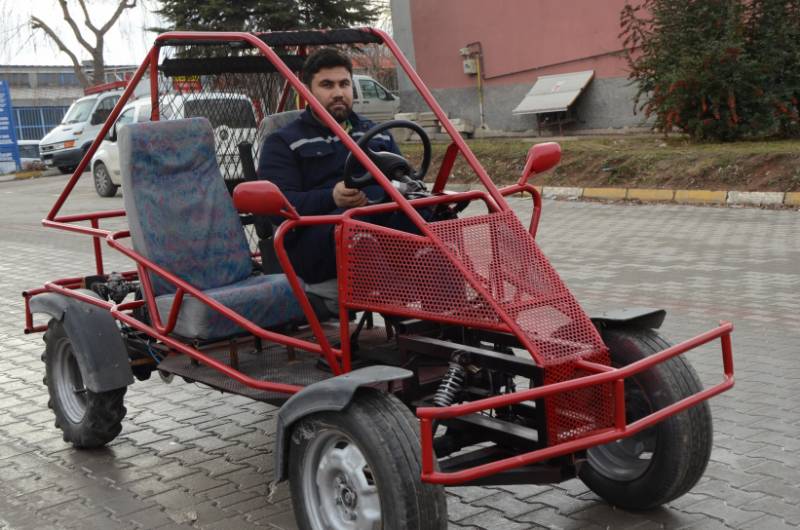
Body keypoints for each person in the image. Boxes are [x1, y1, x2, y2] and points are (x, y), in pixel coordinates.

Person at [257, 48, 419, 286]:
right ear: (307, 90)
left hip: (377, 225)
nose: (338, 93)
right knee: (355, 232)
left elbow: (407, 180)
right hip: (315, 241)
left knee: (431, 220)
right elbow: (277, 208)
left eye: (344, 84)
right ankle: (398, 298)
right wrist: (331, 197)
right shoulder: (284, 142)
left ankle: (457, 314)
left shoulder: (377, 134)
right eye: (327, 85)